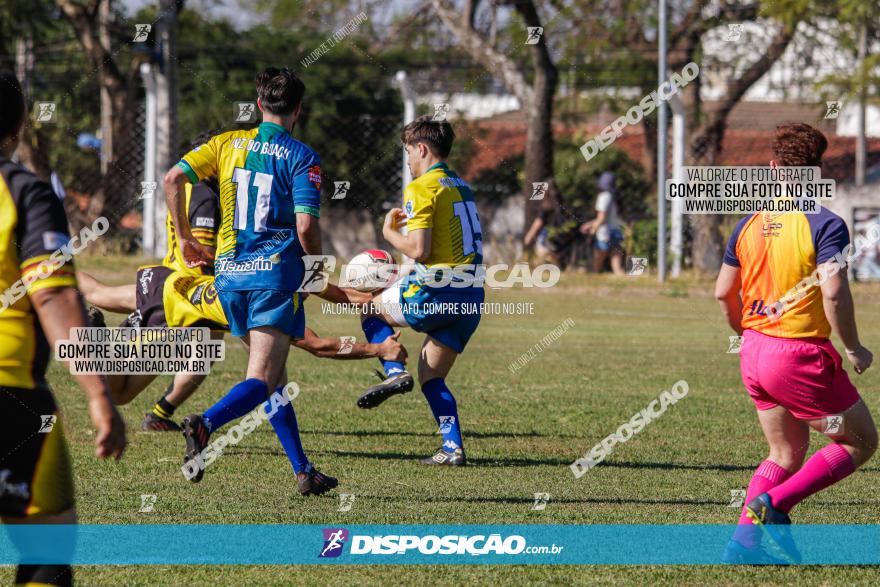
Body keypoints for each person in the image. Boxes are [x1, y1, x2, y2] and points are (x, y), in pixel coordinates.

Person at [163, 67, 336, 495]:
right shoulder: (301, 156)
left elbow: (172, 179)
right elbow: (304, 225)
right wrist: (315, 267)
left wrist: (184, 238)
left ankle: (303, 471)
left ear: (259, 104)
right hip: (273, 279)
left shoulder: (225, 143)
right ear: (298, 109)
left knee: (273, 380)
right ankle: (205, 424)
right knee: (261, 379)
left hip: (230, 277)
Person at [715, 122, 877, 564]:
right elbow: (834, 291)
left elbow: (722, 291)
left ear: (773, 168)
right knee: (860, 442)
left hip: (754, 351)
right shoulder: (825, 224)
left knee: (784, 452)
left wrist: (745, 332)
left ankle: (743, 546)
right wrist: (855, 347)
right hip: (798, 356)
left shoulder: (750, 224)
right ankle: (776, 505)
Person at [0, 70, 126, 587]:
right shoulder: (23, 190)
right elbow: (51, 294)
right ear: (19, 124)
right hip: (12, 397)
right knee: (47, 553)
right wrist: (98, 395)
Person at [76, 267, 408, 405]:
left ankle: (45, 267)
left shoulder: (289, 263)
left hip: (175, 283)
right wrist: (379, 349)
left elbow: (339, 294)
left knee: (97, 291)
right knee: (118, 394)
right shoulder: (274, 302)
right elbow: (319, 345)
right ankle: (94, 339)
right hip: (171, 313)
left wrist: (376, 300)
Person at [357, 115, 484, 466]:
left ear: (422, 148)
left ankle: (395, 374)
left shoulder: (422, 187)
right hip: (471, 295)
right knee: (432, 376)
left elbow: (419, 249)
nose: (408, 161)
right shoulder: (461, 185)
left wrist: (388, 232)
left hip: (436, 292)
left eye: (409, 153)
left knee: (369, 309)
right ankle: (452, 448)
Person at [142, 130, 223, 432]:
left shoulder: (184, 190)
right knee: (200, 360)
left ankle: (159, 414)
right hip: (197, 289)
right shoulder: (205, 196)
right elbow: (203, 253)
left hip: (172, 279)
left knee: (185, 355)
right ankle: (159, 415)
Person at [580, 171, 625, 275]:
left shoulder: (603, 197)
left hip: (605, 232)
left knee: (599, 256)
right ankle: (619, 273)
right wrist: (591, 224)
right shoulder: (614, 197)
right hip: (616, 230)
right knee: (615, 255)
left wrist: (592, 228)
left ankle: (594, 272)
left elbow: (601, 218)